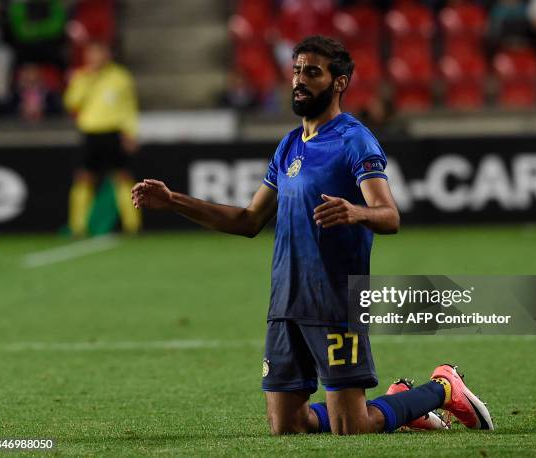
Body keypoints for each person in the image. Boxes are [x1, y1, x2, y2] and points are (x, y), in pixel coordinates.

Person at [131, 36, 493, 435]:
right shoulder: (288, 145)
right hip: (286, 301)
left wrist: (355, 211)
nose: (299, 80)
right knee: (286, 426)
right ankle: (401, 402)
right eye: (297, 71)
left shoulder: (353, 139)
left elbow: (390, 216)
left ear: (339, 82)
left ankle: (441, 387)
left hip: (334, 301)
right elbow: (248, 220)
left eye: (312, 72)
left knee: (351, 427)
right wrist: (174, 200)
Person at [64, 40, 140, 237]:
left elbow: (129, 107)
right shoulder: (81, 77)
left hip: (114, 132)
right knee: (84, 178)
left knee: (123, 177)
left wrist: (131, 133)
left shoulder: (120, 77)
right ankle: (77, 227)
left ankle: (132, 226)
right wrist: (88, 79)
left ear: (107, 55)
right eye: (92, 54)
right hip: (91, 133)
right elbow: (71, 103)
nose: (96, 57)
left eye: (100, 53)